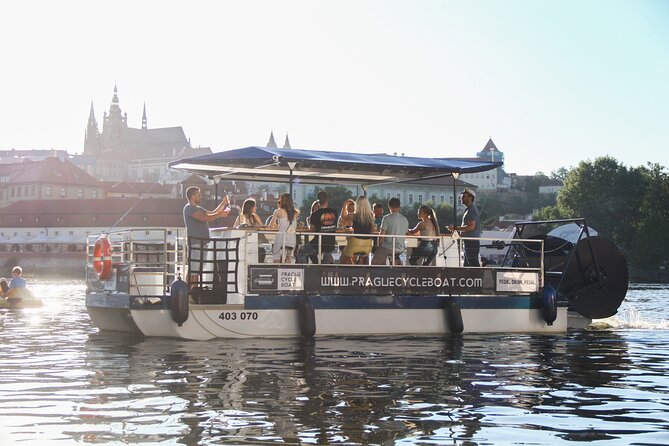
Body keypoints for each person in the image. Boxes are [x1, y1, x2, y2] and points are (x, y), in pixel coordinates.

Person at [183, 186, 231, 286]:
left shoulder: (198, 208)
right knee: (194, 269)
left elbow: (212, 213)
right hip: (196, 243)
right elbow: (204, 218)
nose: (201, 196)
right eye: (198, 195)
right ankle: (190, 291)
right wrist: (221, 214)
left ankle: (193, 290)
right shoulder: (189, 208)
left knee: (197, 268)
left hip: (202, 242)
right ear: (193, 196)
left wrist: (223, 203)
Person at [448, 188, 481, 266]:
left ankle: (477, 276)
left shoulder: (471, 211)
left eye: (464, 197)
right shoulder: (469, 210)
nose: (461, 198)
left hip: (471, 241)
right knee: (468, 263)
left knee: (472, 263)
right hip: (469, 240)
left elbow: (471, 227)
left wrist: (455, 228)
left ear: (470, 198)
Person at [303, 191, 338, 264]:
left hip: (318, 244)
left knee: (302, 252)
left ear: (318, 201)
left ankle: (311, 268)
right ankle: (320, 269)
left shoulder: (315, 214)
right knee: (325, 257)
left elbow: (311, 230)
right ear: (327, 200)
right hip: (330, 245)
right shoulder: (335, 212)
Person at [339, 196, 375, 264]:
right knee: (365, 257)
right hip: (368, 245)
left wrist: (344, 206)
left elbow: (343, 217)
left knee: (342, 259)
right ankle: (365, 271)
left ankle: (343, 273)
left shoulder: (353, 215)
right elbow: (372, 231)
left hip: (355, 243)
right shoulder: (371, 215)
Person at [372, 197, 409, 265]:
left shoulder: (386, 218)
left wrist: (379, 247)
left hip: (388, 247)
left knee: (375, 263)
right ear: (399, 206)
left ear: (389, 206)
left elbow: (382, 235)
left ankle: (379, 274)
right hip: (401, 248)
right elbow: (406, 233)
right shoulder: (405, 219)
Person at [269, 193, 300, 263]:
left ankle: (277, 273)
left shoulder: (278, 211)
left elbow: (270, 226)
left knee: (276, 258)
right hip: (291, 240)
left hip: (281, 238)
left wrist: (278, 226)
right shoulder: (296, 213)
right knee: (288, 258)